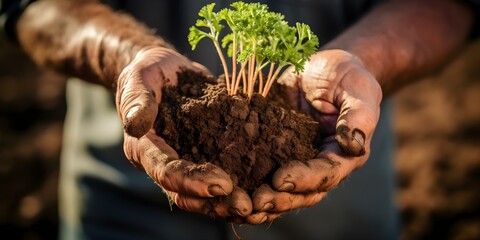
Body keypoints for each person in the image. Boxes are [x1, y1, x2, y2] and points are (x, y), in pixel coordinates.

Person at [1, 0, 475, 239]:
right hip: (125, 203)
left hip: (337, 207)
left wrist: (362, 59)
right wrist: (127, 55)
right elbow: (31, 6)